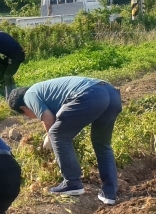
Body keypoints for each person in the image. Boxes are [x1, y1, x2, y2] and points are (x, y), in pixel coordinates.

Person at [8, 76, 122, 204]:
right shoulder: (46, 91)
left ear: (24, 108)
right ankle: (109, 194)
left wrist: (51, 139)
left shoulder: (29, 96)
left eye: (26, 115)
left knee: (57, 134)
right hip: (111, 94)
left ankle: (72, 183)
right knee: (102, 144)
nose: (30, 118)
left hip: (92, 94)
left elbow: (49, 119)